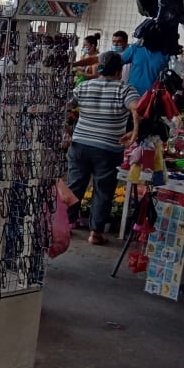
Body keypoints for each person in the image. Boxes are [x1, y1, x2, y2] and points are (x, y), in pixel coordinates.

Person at [65, 51, 140, 245]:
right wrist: (134, 133)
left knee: (75, 185)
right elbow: (136, 108)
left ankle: (64, 225)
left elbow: (65, 107)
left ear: (99, 68)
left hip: (80, 144)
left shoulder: (84, 86)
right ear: (119, 69)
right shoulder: (124, 89)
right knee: (103, 191)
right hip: (108, 149)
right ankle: (95, 233)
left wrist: (67, 130)